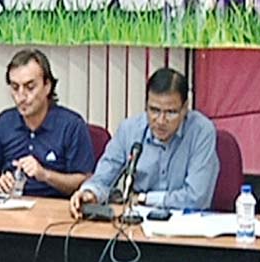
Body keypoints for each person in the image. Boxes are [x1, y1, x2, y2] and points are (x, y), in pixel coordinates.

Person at [70, 68, 219, 217]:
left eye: (171, 112)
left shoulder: (201, 131)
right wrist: (90, 193)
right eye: (154, 110)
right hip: (139, 224)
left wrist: (144, 199)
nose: (161, 121)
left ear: (185, 108)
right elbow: (103, 178)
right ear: (146, 105)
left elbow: (197, 198)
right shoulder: (130, 130)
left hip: (186, 227)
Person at [0, 49, 95, 198]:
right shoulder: (4, 123)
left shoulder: (71, 126)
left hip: (55, 210)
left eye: (30, 87)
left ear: (47, 86)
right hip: (10, 207)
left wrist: (45, 175)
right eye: (15, 87)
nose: (21, 97)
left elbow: (86, 180)